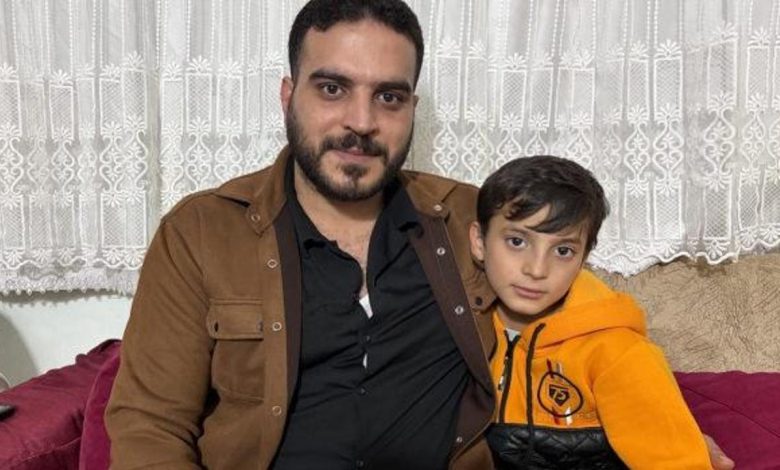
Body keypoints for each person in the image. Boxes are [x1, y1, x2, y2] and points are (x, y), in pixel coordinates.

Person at [105, 1, 734, 469]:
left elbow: (580, 312)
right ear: (288, 96)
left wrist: (659, 436)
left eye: (389, 97)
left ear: (411, 108)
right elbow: (149, 426)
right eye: (333, 88)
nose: (361, 121)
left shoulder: (470, 221)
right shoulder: (201, 231)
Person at [469, 156, 714, 469]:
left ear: (583, 257)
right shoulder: (454, 330)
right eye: (517, 241)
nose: (537, 269)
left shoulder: (619, 352)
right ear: (479, 242)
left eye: (563, 251)